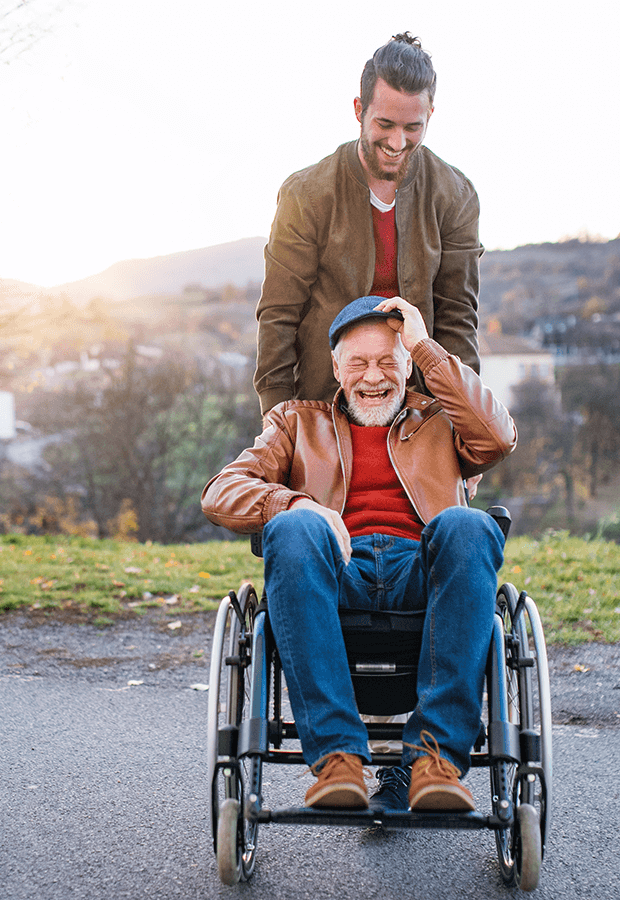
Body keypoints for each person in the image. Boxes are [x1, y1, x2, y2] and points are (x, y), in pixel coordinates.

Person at [203, 295, 515, 812]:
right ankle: (337, 760)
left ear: (408, 364)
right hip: (335, 570)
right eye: (359, 363)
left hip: (423, 569)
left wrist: (423, 346)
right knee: (293, 528)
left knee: (468, 523)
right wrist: (296, 502)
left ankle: (434, 760)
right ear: (335, 367)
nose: (374, 377)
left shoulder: (440, 417)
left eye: (389, 361)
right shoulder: (296, 423)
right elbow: (221, 491)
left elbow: (499, 438)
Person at [253, 32, 483, 417]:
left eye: (413, 127)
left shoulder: (455, 195)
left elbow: (458, 319)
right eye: (385, 123)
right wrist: (278, 422)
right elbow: (279, 315)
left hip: (419, 413)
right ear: (359, 109)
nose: (397, 142)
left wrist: (466, 424)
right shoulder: (305, 194)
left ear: (430, 116)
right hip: (325, 408)